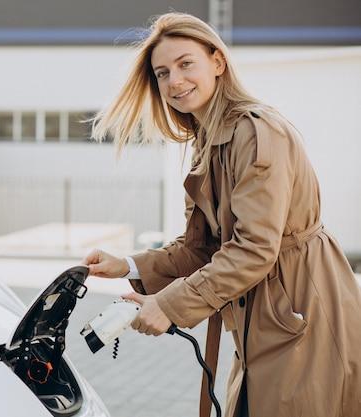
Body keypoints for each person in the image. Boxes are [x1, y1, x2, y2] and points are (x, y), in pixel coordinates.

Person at [82, 12, 361, 417]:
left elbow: (252, 249)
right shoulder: (210, 141)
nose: (174, 81)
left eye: (185, 64)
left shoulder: (257, 131)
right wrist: (126, 265)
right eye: (162, 73)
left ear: (217, 62)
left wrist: (169, 306)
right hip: (263, 319)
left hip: (305, 310)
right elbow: (203, 247)